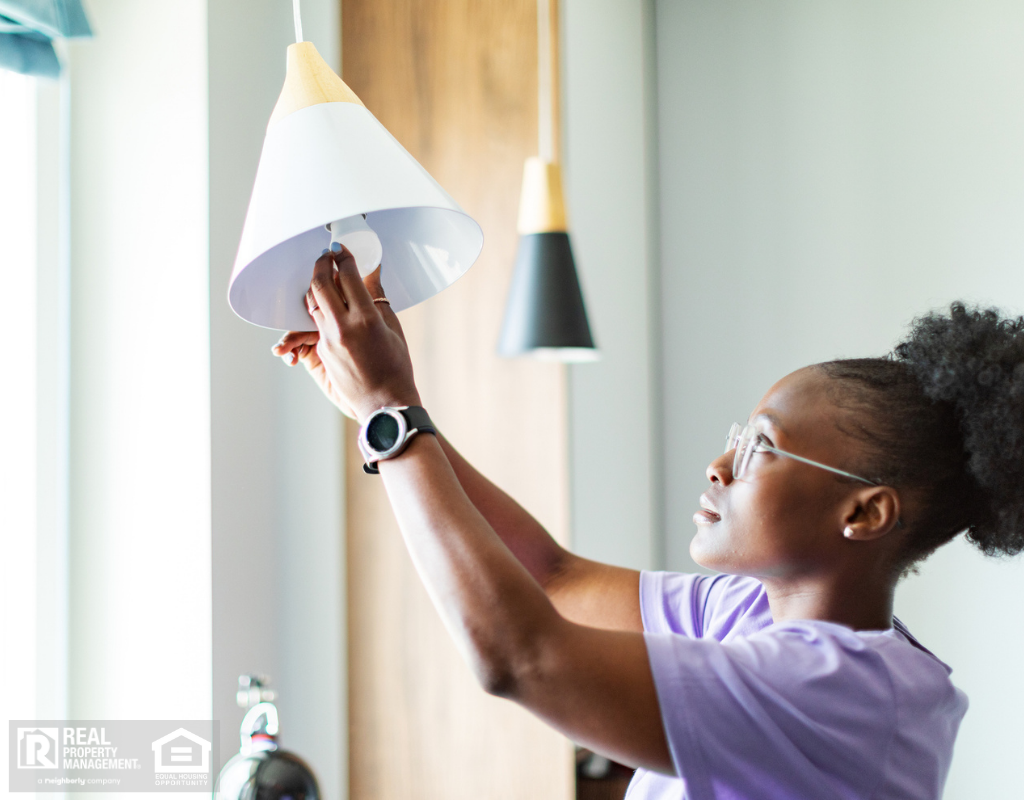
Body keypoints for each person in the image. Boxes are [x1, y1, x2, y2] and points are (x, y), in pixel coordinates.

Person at [272, 249, 1024, 799]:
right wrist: (384, 411)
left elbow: (520, 657)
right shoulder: (755, 610)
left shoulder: (843, 693)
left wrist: (391, 416)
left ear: (864, 512)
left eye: (760, 448)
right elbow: (550, 577)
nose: (719, 467)